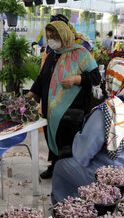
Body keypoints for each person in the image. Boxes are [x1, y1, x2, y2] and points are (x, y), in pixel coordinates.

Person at [51, 58, 124, 204]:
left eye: (108, 79)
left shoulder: (109, 111)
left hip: (114, 182)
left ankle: (70, 209)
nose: (104, 83)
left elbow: (82, 154)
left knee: (61, 167)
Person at [26, 21, 101, 179]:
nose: (51, 40)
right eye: (49, 36)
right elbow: (41, 80)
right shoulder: (51, 55)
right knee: (52, 137)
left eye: (54, 36)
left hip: (71, 108)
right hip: (50, 108)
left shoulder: (80, 53)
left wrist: (76, 79)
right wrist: (30, 95)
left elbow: (96, 77)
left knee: (67, 140)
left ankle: (68, 172)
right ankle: (55, 167)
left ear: (64, 35)